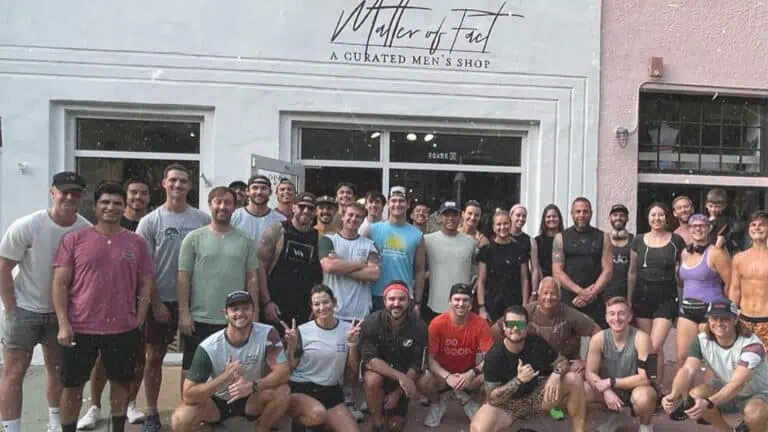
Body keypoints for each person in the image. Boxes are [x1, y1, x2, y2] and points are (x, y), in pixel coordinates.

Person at [52, 182, 154, 432]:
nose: (111, 207)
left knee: (120, 384)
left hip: (122, 328)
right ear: (96, 206)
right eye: (105, 202)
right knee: (72, 386)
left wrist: (138, 319)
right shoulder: (74, 239)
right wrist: (64, 324)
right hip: (80, 328)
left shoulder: (137, 243)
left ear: (124, 206)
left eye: (117, 203)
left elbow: (145, 284)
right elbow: (60, 284)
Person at [0, 171, 91, 432]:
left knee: (57, 370)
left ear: (82, 197)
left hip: (61, 314)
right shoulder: (27, 225)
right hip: (24, 310)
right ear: (53, 193)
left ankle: (54, 423)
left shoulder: (84, 229)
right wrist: (11, 308)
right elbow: (4, 268)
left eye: (76, 192)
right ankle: (11, 428)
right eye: (64, 191)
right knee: (14, 372)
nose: (70, 197)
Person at [132, 163, 210, 432]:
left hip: (195, 302)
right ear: (164, 183)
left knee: (194, 360)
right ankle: (152, 412)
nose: (178, 185)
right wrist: (155, 303)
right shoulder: (150, 221)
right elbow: (144, 268)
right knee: (154, 357)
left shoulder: (202, 220)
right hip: (162, 301)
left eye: (183, 181)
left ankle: (186, 410)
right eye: (173, 180)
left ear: (190, 186)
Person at [79, 177, 151, 428]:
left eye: (143, 193)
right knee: (100, 360)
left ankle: (129, 404)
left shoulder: (146, 227)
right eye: (133, 193)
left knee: (137, 359)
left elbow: (146, 276)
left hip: (133, 307)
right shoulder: (97, 229)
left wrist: (141, 313)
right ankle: (95, 406)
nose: (137, 198)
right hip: (99, 309)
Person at [170, 291, 291, 432]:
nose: (240, 313)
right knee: (179, 420)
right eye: (234, 309)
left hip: (251, 397)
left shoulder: (268, 333)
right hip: (218, 402)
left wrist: (252, 386)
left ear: (253, 311)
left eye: (245, 308)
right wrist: (223, 379)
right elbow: (188, 394)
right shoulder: (209, 347)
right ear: (225, 314)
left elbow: (283, 372)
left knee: (283, 392)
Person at [178, 186, 260, 392]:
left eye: (228, 203)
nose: (222, 206)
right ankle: (190, 413)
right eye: (218, 202)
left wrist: (255, 312)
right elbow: (183, 277)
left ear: (235, 207)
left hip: (235, 319)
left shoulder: (245, 240)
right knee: (191, 372)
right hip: (200, 318)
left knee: (232, 368)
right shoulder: (193, 238)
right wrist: (183, 313)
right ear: (210, 204)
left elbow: (252, 278)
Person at [470, 305, 587, 432]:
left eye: (520, 324)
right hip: (507, 404)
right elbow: (492, 399)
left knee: (574, 379)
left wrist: (556, 374)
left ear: (527, 327)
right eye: (510, 324)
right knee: (478, 428)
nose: (515, 328)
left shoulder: (536, 343)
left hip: (536, 395)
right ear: (504, 326)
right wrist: (518, 380)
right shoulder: (494, 355)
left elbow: (562, 361)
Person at [662, 299, 768, 431]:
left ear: (735, 320)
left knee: (754, 414)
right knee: (697, 395)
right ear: (709, 319)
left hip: (759, 392)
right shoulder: (701, 340)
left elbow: (737, 384)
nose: (718, 323)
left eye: (725, 319)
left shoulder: (752, 345)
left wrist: (710, 402)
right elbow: (687, 370)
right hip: (726, 386)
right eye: (714, 318)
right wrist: (673, 395)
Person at [283, 285, 363, 432]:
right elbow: (289, 367)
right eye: (316, 304)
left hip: (330, 390)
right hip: (301, 386)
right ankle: (295, 423)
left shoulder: (348, 330)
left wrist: (352, 345)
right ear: (311, 307)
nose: (322, 307)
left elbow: (352, 371)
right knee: (317, 414)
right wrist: (291, 347)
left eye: (326, 302)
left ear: (334, 302)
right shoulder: (302, 331)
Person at [491, 278, 600, 375]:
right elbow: (496, 329)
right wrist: (506, 354)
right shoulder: (527, 311)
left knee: (576, 377)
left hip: (564, 365)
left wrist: (586, 361)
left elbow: (598, 332)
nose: (548, 297)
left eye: (553, 293)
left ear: (560, 296)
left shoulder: (570, 314)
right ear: (538, 294)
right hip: (530, 367)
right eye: (545, 293)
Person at [628, 202, 685, 385]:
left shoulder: (676, 241)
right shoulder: (637, 240)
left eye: (661, 215)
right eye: (653, 215)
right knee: (649, 347)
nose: (657, 218)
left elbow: (684, 270)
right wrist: (629, 300)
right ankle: (656, 388)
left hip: (666, 298)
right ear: (648, 218)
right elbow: (632, 272)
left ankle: (649, 383)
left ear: (666, 217)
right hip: (642, 297)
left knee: (654, 345)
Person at [420, 283, 493, 427]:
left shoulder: (481, 324)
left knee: (491, 377)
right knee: (423, 380)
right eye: (457, 299)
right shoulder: (437, 324)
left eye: (465, 300)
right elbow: (430, 359)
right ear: (449, 301)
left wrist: (472, 373)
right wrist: (447, 376)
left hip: (469, 375)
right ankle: (437, 403)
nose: (461, 304)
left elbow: (490, 357)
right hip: (443, 375)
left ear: (471, 304)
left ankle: (466, 399)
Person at [359, 282, 428, 432]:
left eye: (401, 299)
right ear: (384, 301)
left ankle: (391, 410)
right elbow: (370, 361)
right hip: (383, 376)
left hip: (403, 382)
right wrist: (400, 377)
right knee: (372, 378)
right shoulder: (371, 322)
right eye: (391, 299)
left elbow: (417, 365)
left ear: (409, 301)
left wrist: (398, 391)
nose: (396, 304)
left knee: (395, 427)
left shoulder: (419, 326)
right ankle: (377, 423)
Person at [584, 297, 657, 432]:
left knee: (645, 397)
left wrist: (611, 382)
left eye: (621, 313)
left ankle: (645, 425)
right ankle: (614, 417)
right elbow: (590, 372)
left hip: (636, 388)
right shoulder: (598, 339)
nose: (616, 318)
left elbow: (646, 378)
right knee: (582, 390)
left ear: (629, 317)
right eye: (612, 313)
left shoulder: (642, 338)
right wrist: (606, 390)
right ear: (606, 317)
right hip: (609, 388)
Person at [259, 192, 323, 333]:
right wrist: (267, 302)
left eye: (310, 208)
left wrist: (317, 306)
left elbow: (320, 277)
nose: (306, 211)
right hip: (276, 307)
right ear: (293, 208)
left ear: (315, 212)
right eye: (302, 206)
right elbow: (261, 268)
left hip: (305, 310)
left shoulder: (318, 238)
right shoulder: (277, 230)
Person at [676, 213, 731, 369]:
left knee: (711, 361)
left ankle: (709, 394)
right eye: (694, 225)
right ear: (688, 229)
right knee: (682, 358)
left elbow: (730, 283)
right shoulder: (684, 253)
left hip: (710, 311)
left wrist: (728, 309)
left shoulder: (716, 253)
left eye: (702, 225)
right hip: (687, 309)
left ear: (709, 228)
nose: (698, 228)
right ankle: (684, 393)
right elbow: (682, 281)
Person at [552, 197, 613, 329]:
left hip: (596, 298)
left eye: (585, 211)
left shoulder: (603, 237)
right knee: (569, 344)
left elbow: (608, 270)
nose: (581, 215)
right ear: (572, 213)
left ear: (591, 213)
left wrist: (591, 294)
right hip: (569, 299)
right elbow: (557, 271)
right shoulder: (561, 237)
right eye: (578, 211)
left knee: (598, 340)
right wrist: (580, 292)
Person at [366, 187, 426, 313]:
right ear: (388, 204)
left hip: (403, 296)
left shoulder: (417, 235)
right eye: (393, 201)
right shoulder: (372, 230)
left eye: (401, 201)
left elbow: (420, 271)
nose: (397, 204)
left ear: (408, 204)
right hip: (377, 295)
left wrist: (418, 302)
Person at [319, 202, 380, 322]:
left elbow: (374, 274)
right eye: (350, 215)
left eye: (358, 216)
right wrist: (361, 264)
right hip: (332, 312)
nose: (353, 219)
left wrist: (340, 266)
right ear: (343, 216)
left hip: (359, 315)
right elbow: (329, 267)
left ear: (363, 220)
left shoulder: (370, 245)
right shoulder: (328, 240)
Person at [423, 201, 476, 322]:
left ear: (460, 216)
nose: (450, 219)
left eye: (454, 215)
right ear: (440, 217)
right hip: (435, 305)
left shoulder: (470, 242)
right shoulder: (427, 240)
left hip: (462, 306)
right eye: (446, 215)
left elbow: (478, 270)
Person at [476, 210, 529, 321]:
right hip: (492, 304)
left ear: (510, 224)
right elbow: (481, 280)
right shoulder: (486, 250)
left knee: (515, 332)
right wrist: (482, 308)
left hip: (514, 303)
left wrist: (525, 304)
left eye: (506, 223)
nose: (502, 227)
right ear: (494, 227)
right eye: (498, 224)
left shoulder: (520, 249)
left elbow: (524, 278)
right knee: (493, 336)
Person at [730, 210, 768, 347]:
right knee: (744, 363)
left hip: (766, 320)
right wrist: (731, 314)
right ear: (748, 229)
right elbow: (735, 289)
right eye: (753, 224)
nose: (757, 227)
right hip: (744, 319)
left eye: (762, 224)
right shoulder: (739, 258)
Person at [231, 175, 287, 244]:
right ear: (247, 191)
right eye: (255, 188)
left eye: (263, 188)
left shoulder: (281, 220)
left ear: (270, 192)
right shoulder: (234, 217)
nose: (259, 192)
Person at [510, 204, 542, 298]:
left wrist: (534, 292)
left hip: (523, 285)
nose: (521, 218)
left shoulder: (530, 240)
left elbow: (535, 268)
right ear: (510, 216)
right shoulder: (501, 237)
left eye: (524, 216)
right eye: (518, 215)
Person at [604, 204, 633, 300]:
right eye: (615, 215)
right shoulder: (603, 239)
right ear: (610, 218)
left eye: (622, 215)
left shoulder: (634, 240)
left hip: (625, 292)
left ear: (627, 218)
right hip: (605, 292)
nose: (618, 218)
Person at [706, 188, 746, 254]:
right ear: (706, 205)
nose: (713, 209)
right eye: (711, 206)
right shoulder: (704, 219)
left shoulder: (725, 222)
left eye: (717, 207)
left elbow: (720, 242)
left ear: (724, 206)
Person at [534, 204, 564, 280]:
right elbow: (537, 266)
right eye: (548, 217)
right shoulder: (537, 241)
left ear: (559, 219)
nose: (551, 219)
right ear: (544, 219)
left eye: (554, 216)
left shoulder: (566, 239)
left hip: (563, 283)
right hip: (543, 283)